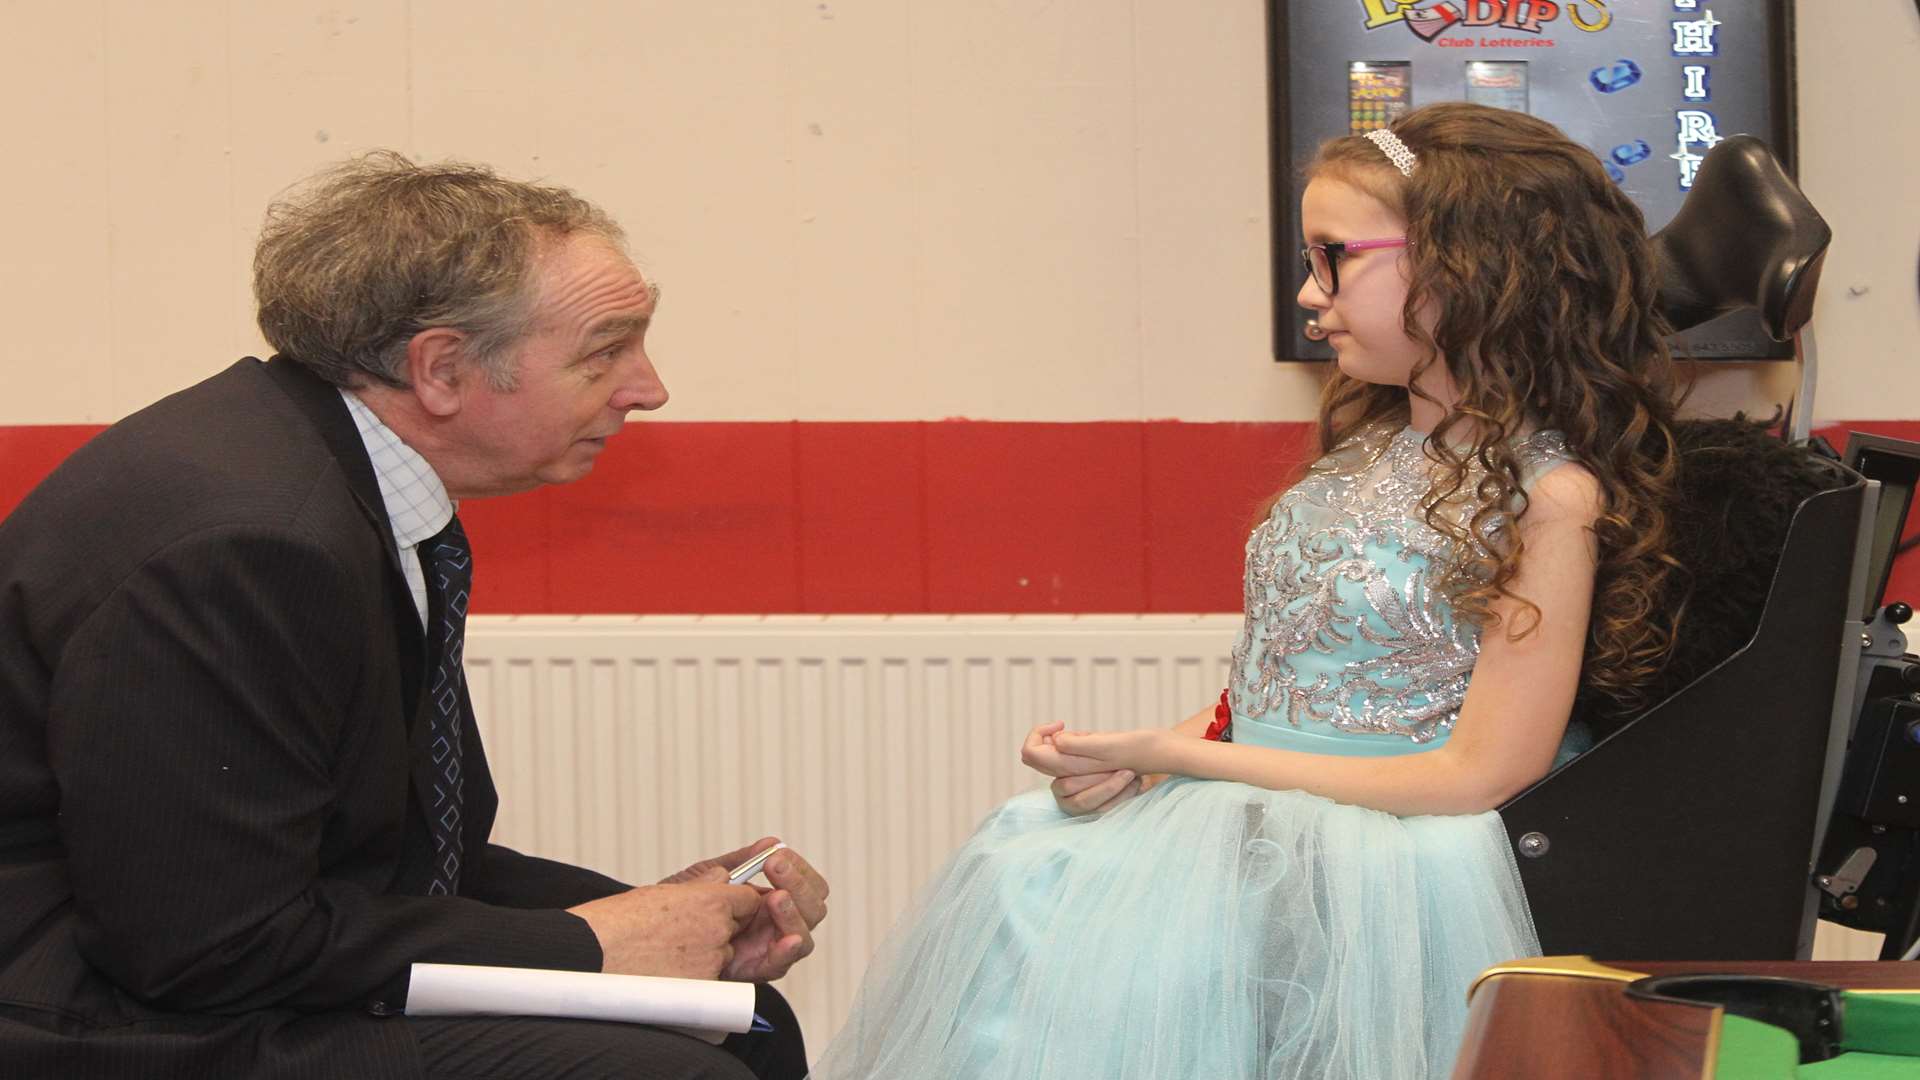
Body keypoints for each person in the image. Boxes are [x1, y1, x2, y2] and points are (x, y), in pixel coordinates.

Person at [811, 102, 1684, 1080]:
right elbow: (1285, 678)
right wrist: (1151, 756)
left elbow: (1482, 774)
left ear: (1466, 265)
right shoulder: (1366, 449)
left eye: (1333, 257)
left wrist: (1184, 757)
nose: (1309, 294)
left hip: (1396, 868)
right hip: (1262, 804)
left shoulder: (1551, 497)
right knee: (1030, 858)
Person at [0, 153, 827, 1080]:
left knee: (747, 1020)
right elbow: (201, 944)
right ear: (440, 368)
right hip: (86, 1010)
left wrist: (674, 916)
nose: (647, 387)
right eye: (605, 350)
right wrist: (589, 945)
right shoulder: (250, 542)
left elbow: (395, 858)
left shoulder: (327, 471)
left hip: (194, 961)